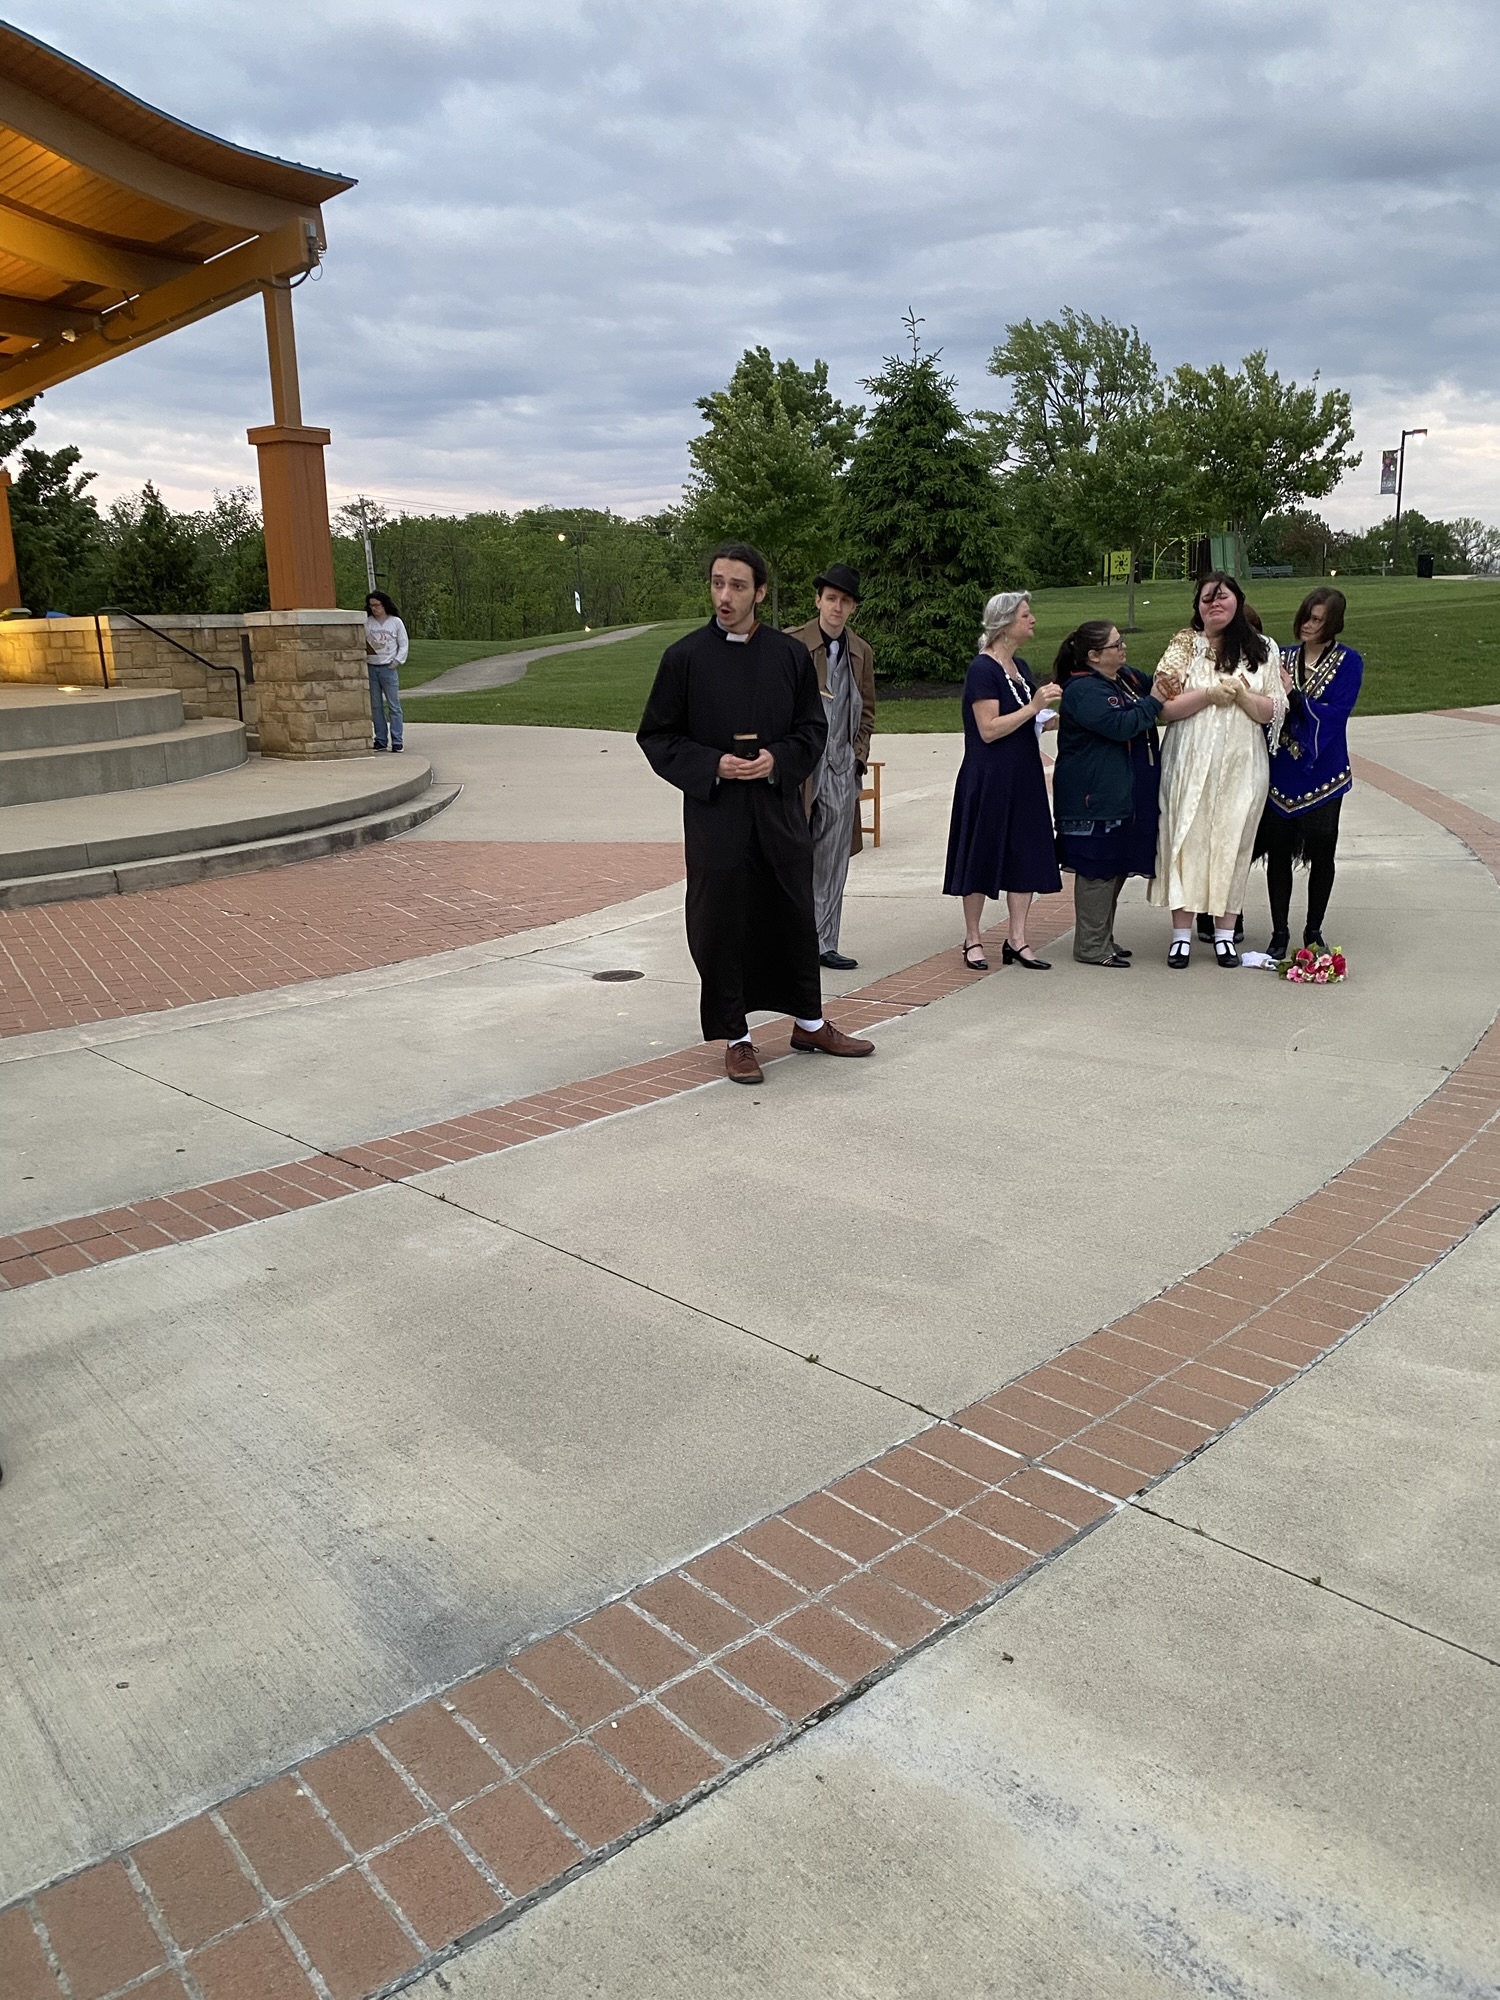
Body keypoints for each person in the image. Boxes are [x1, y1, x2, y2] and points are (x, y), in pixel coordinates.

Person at [637, 541, 875, 1085]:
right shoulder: (684, 658)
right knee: (722, 921)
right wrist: (712, 764)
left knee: (792, 912)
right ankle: (737, 1038)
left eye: (738, 586)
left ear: (760, 593)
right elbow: (657, 736)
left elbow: (813, 730)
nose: (725, 596)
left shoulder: (788, 656)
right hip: (717, 817)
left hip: (777, 810)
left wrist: (777, 761)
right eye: (717, 583)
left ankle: (809, 1023)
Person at [1148, 573, 1287, 968]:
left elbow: (1273, 709)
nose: (1214, 605)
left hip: (1242, 761)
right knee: (1184, 838)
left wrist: (1243, 697)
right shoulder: (1184, 645)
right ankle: (1181, 935)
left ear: (1238, 601)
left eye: (1222, 597)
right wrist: (1208, 695)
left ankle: (1225, 934)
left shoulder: (1263, 649)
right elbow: (1163, 707)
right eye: (1206, 599)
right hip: (1188, 758)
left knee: (1233, 841)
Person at [942, 590, 1063, 971]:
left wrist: (1053, 716)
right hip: (989, 776)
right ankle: (973, 938)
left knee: (1024, 853)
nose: (1032, 620)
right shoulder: (983, 669)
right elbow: (989, 729)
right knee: (982, 852)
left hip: (1023, 775)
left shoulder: (1019, 667)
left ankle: (1018, 939)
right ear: (1005, 623)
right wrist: (1034, 706)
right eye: (1026, 615)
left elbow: (1027, 718)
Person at [1255, 586, 1363, 956]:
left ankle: (1313, 929)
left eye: (1317, 620)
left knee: (1322, 853)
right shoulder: (1281, 657)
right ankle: (1279, 931)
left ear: (1333, 623)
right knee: (1278, 853)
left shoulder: (1349, 662)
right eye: (1305, 616)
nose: (1308, 624)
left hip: (1323, 773)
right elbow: (1264, 703)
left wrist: (1295, 697)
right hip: (1281, 772)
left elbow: (1336, 712)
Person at [1051, 621, 1165, 968]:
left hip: (1120, 796)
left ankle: (1102, 938)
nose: (1123, 647)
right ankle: (1090, 946)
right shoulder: (1083, 690)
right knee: (1097, 869)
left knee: (1114, 867)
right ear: (1094, 656)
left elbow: (1155, 682)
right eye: (1116, 644)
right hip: (1092, 799)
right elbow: (1120, 725)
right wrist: (1155, 702)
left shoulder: (1124, 678)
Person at [788, 563, 877, 970]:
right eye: (831, 599)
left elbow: (868, 711)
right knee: (791, 857)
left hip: (842, 768)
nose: (837, 607)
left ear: (853, 607)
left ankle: (824, 943)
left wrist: (858, 756)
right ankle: (788, 941)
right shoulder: (792, 645)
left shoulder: (861, 652)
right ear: (818, 600)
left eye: (844, 601)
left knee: (832, 862)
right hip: (800, 771)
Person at [365, 591, 408, 752]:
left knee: (393, 705)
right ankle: (380, 739)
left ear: (384, 605)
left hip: (388, 667)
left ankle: (397, 740)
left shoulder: (395, 622)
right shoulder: (367, 623)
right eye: (371, 606)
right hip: (372, 666)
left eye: (377, 605)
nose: (374, 608)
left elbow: (403, 644)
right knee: (376, 705)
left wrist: (396, 661)